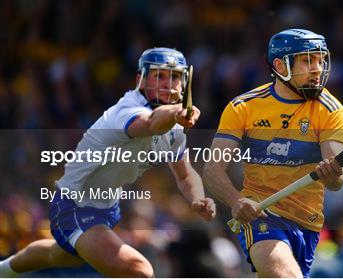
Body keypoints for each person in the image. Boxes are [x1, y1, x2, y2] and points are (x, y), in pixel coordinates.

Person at [0, 47, 216, 277]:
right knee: (140, 271)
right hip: (74, 204)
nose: (167, 83)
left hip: (107, 207)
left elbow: (185, 174)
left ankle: (3, 271)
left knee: (59, 256)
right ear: (140, 80)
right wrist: (175, 113)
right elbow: (152, 123)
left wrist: (198, 199)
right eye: (159, 75)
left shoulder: (175, 128)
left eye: (174, 77)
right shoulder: (129, 109)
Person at [203, 29, 343, 278]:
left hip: (307, 223)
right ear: (281, 65)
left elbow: (338, 180)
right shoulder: (243, 108)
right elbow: (212, 169)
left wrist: (331, 174)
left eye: (321, 60)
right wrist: (235, 200)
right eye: (308, 60)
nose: (317, 68)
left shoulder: (330, 109)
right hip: (262, 214)